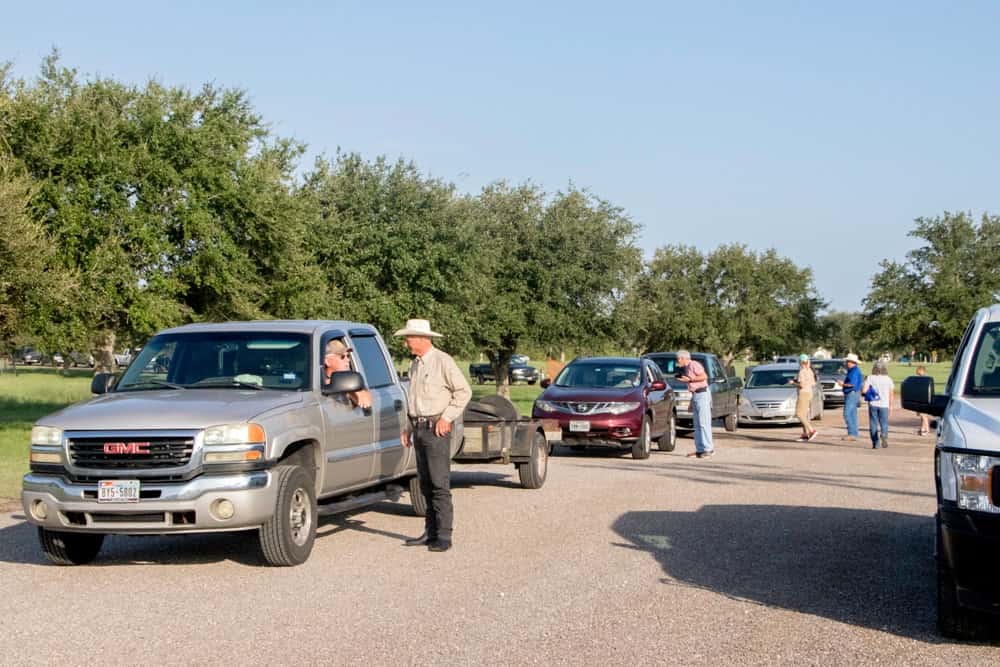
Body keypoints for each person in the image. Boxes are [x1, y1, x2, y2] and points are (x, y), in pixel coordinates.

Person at [396, 318, 471, 552]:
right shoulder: (415, 364)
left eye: (409, 337)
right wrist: (408, 427)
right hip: (418, 428)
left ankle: (444, 535)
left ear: (422, 339)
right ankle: (430, 532)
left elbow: (463, 391)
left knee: (439, 483)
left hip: (435, 429)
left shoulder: (442, 361)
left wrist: (447, 417)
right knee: (425, 483)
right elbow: (414, 399)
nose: (406, 342)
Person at [676, 350, 714, 459]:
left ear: (684, 358)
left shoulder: (694, 364)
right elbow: (692, 386)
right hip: (696, 395)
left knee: (704, 422)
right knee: (697, 424)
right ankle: (700, 449)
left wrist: (690, 379)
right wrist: (691, 402)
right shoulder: (687, 368)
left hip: (702, 394)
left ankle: (708, 449)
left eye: (679, 359)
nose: (678, 361)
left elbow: (704, 376)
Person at [322, 339, 372, 409]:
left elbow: (366, 402)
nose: (348, 360)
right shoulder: (317, 380)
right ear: (327, 361)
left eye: (348, 356)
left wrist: (350, 389)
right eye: (342, 357)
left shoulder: (352, 379)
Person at [862, 362, 895, 449]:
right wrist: (891, 406)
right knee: (884, 423)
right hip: (884, 405)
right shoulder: (888, 379)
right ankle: (884, 434)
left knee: (873, 423)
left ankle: (875, 443)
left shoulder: (870, 377)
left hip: (873, 403)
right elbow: (891, 394)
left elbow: (864, 391)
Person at [790, 354, 818, 442]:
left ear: (801, 362)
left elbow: (801, 385)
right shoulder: (810, 370)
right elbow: (814, 383)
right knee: (804, 415)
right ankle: (805, 434)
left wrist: (792, 383)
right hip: (810, 392)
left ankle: (812, 430)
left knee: (799, 414)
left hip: (803, 394)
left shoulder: (801, 372)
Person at [838, 353, 863, 441]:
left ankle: (852, 433)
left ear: (851, 362)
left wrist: (842, 384)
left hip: (851, 393)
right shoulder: (853, 370)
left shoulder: (854, 371)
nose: (846, 363)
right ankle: (854, 433)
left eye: (847, 361)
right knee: (853, 414)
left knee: (847, 414)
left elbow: (851, 384)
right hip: (854, 393)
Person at [914, 366, 932, 435]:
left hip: (923, 400)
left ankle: (927, 430)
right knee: (922, 416)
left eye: (919, 372)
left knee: (923, 415)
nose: (917, 373)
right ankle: (922, 428)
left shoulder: (925, 380)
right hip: (921, 399)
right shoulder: (921, 379)